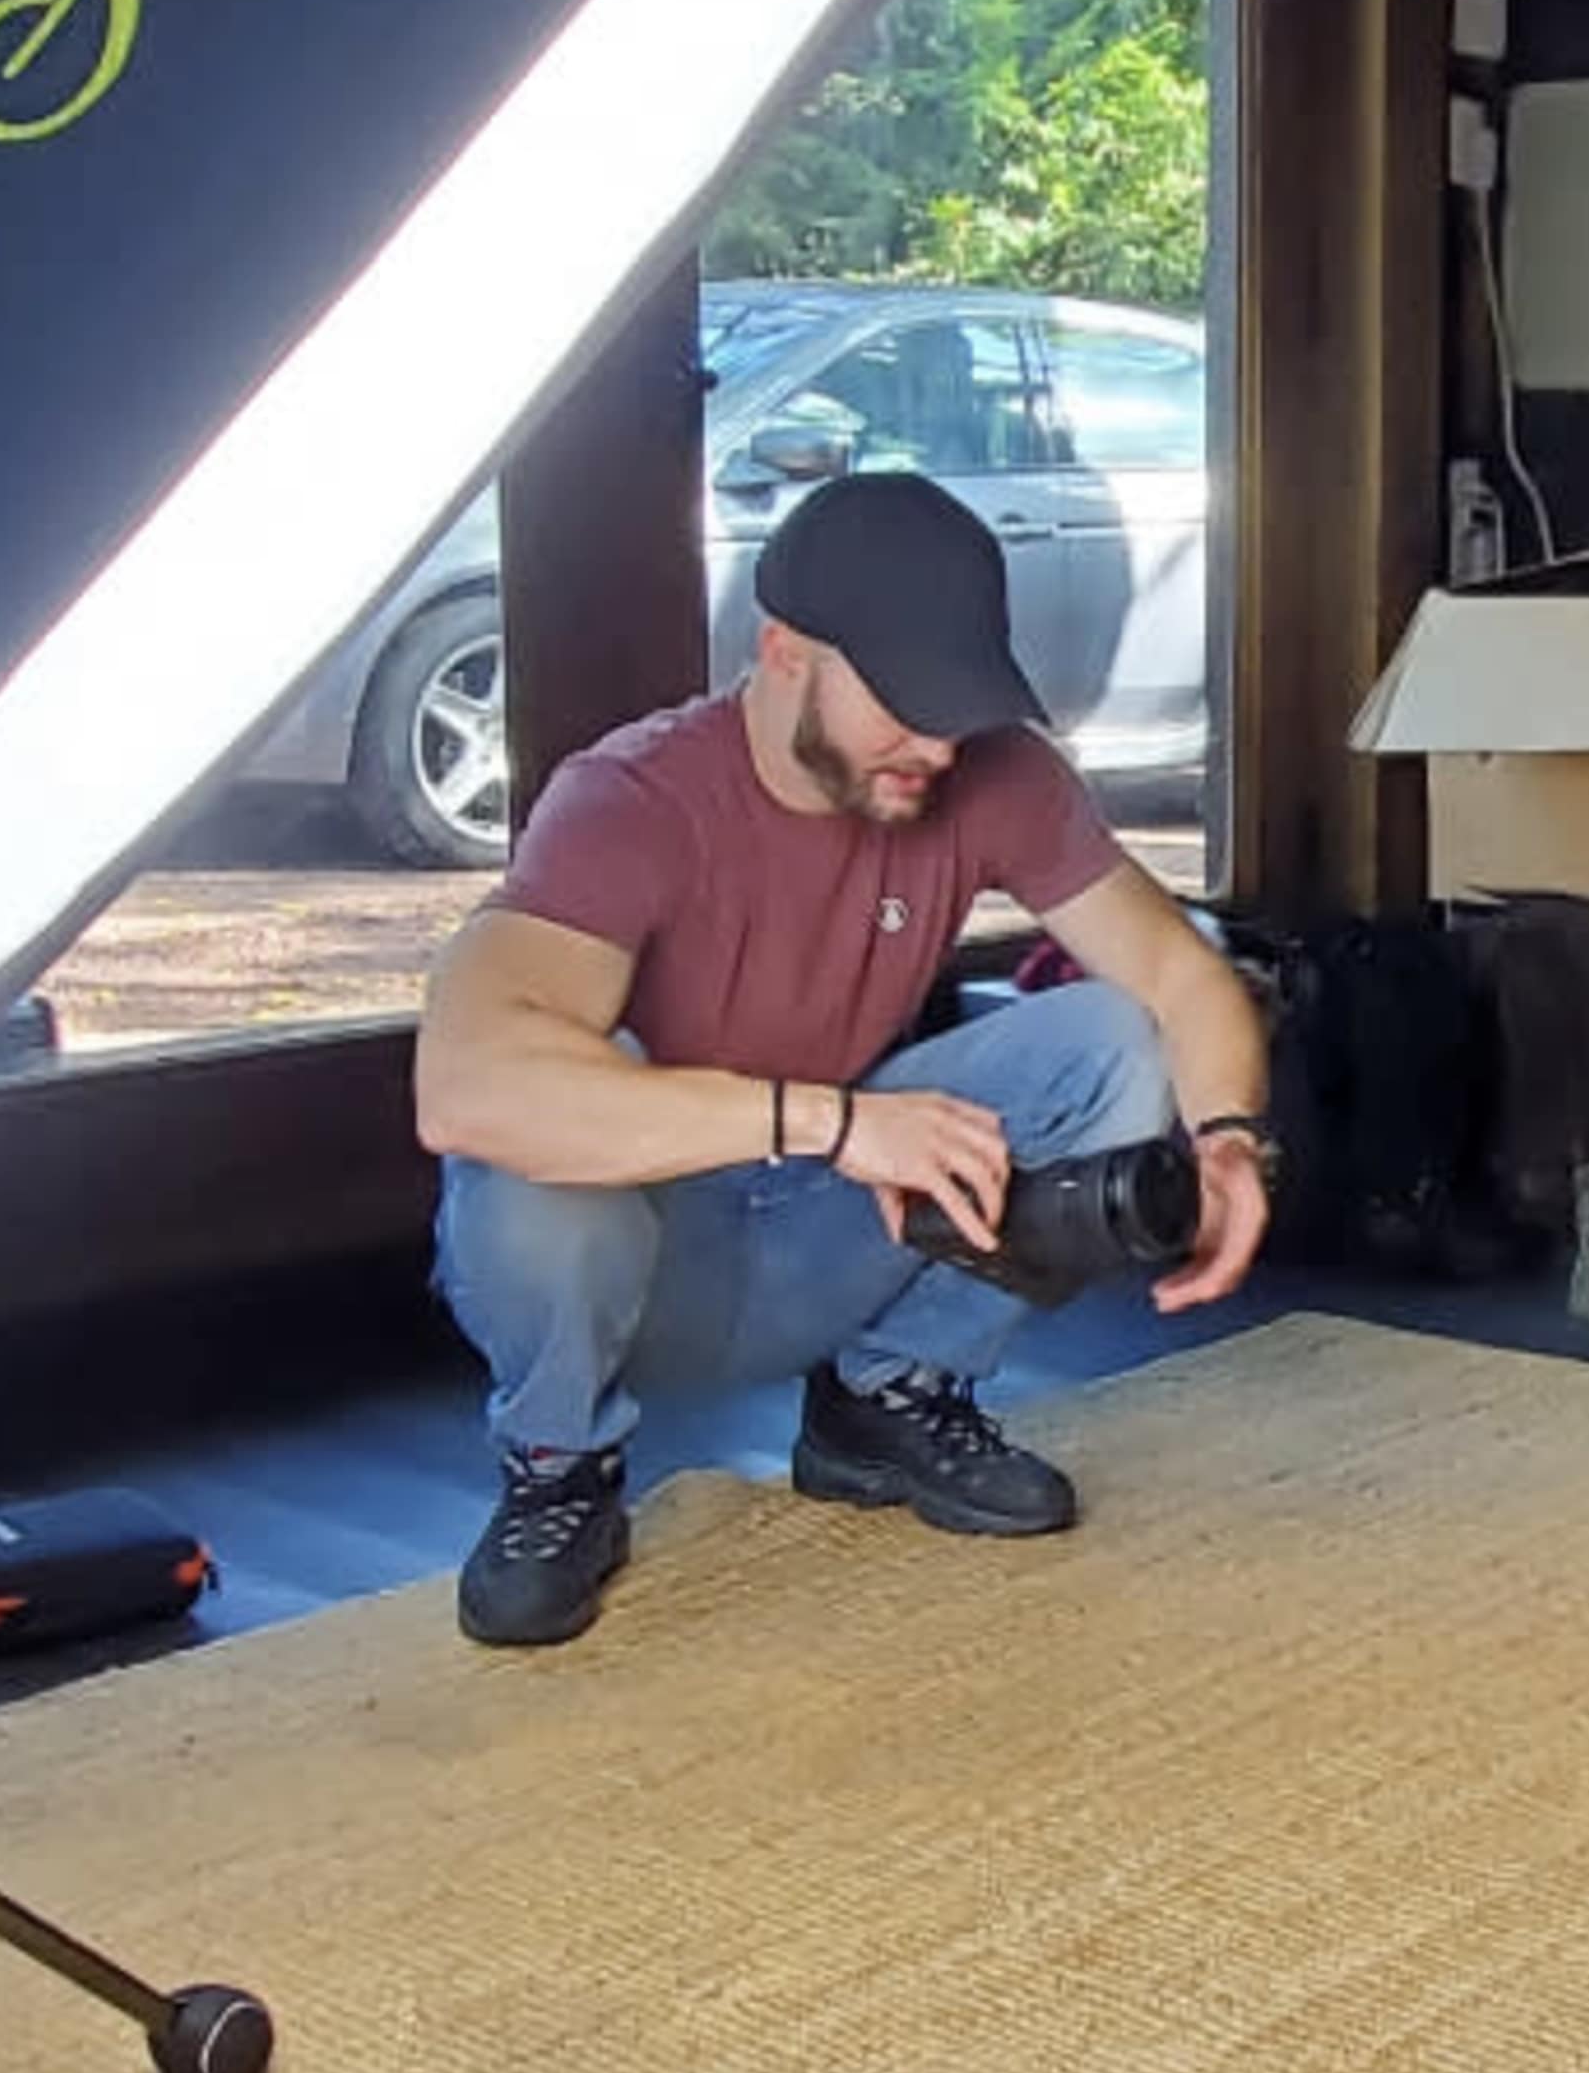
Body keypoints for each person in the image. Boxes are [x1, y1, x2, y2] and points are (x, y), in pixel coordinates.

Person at [414, 469, 1274, 1647]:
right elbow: (463, 1086)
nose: (937, 741)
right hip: (651, 1258)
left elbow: (1181, 972)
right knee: (529, 1144)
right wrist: (826, 1119)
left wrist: (1227, 1137)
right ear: (785, 652)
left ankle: (888, 1398)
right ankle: (559, 1465)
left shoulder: (987, 771)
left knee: (1123, 1038)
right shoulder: (627, 800)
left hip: (840, 1231)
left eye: (960, 702)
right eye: (908, 702)